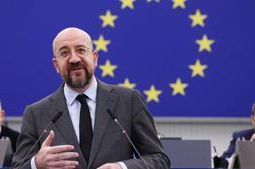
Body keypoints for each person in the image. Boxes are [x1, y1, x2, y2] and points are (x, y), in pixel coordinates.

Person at [11, 27, 170, 169]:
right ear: (56, 65)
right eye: (64, 53)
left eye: (81, 50)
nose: (74, 59)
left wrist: (121, 167)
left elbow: (159, 160)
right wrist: (36, 164)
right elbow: (18, 166)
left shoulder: (129, 101)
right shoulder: (36, 113)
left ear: (94, 58)